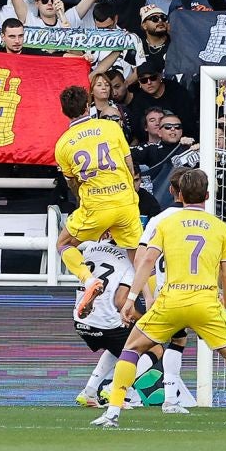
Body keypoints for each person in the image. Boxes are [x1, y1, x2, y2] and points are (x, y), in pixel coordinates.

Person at [91, 167, 226, 430]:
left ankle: (112, 413)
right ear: (208, 195)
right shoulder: (220, 228)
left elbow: (146, 261)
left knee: (132, 350)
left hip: (171, 301)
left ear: (178, 194)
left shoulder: (165, 222)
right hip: (206, 303)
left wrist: (131, 298)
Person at [53, 84, 142, 315]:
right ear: (88, 105)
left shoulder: (62, 144)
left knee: (63, 244)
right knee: (138, 257)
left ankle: (88, 279)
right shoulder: (110, 128)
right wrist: (131, 192)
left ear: (64, 111)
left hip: (96, 206)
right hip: (124, 200)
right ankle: (155, 299)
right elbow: (129, 164)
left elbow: (73, 183)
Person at [70, 238, 139, 408]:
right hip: (106, 322)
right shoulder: (130, 260)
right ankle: (113, 389)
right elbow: (120, 301)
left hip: (81, 320)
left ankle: (89, 391)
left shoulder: (91, 248)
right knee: (149, 345)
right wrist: (145, 318)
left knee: (117, 348)